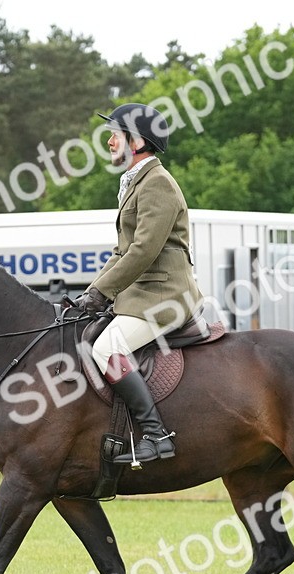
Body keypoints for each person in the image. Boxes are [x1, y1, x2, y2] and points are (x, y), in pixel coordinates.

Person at [73, 103, 204, 464]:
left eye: (116, 135)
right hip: (142, 294)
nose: (111, 142)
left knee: (105, 350)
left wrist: (104, 291)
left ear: (137, 141)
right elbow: (122, 251)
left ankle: (155, 434)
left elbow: (144, 250)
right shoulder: (136, 181)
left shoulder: (157, 183)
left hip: (163, 295)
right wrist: (91, 293)